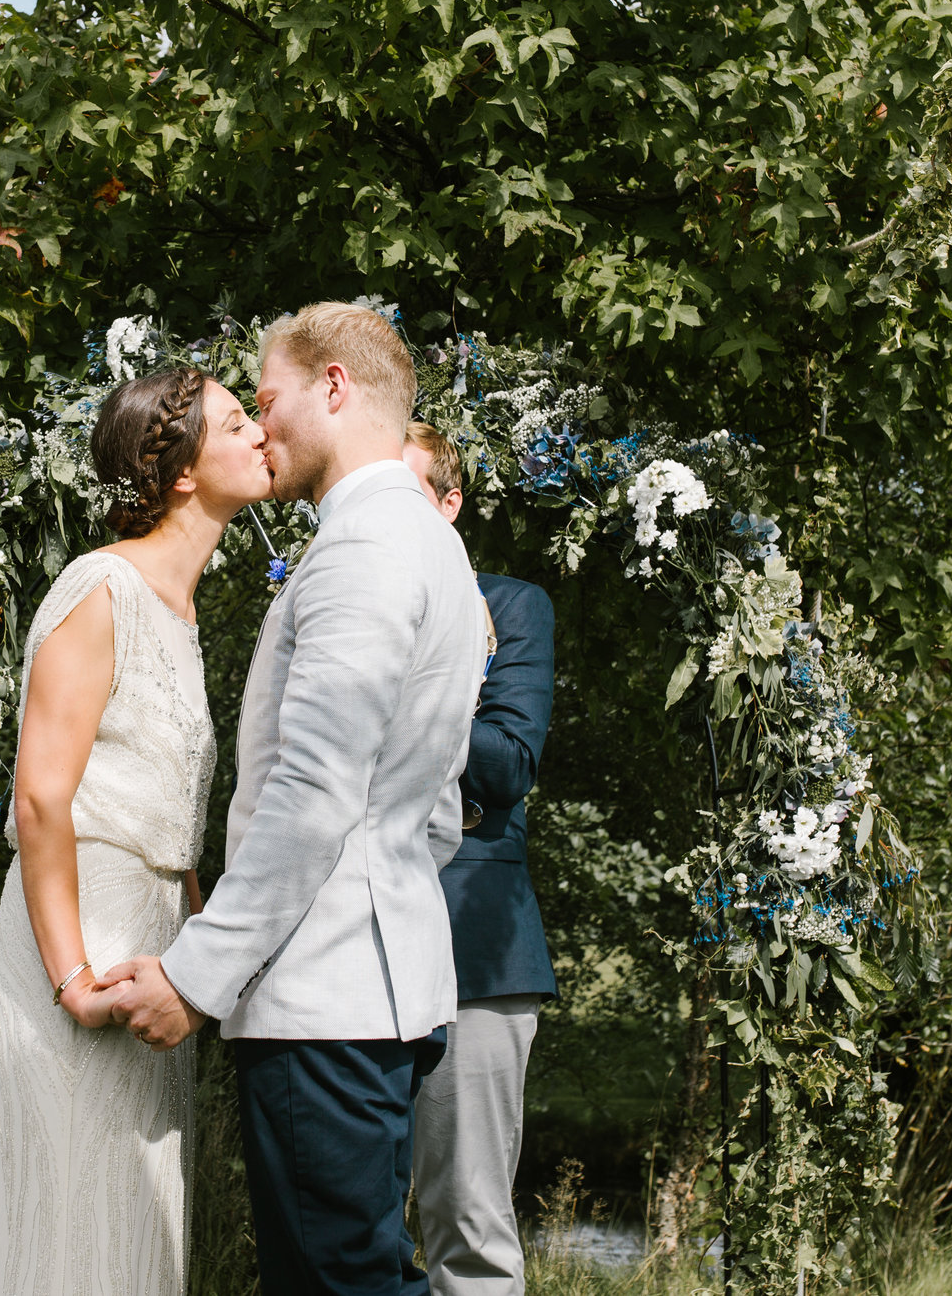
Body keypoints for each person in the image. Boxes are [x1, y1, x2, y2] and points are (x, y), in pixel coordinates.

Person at [110, 302, 488, 1296]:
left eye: (268, 399)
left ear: (334, 386)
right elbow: (436, 805)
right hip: (385, 981)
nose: (261, 426)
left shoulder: (363, 549)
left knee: (338, 1284)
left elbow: (313, 792)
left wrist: (197, 975)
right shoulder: (428, 542)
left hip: (324, 997)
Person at [0, 364, 274, 1296]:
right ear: (184, 471)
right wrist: (73, 977)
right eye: (237, 421)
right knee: (60, 1219)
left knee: (130, 1225)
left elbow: (172, 813)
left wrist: (208, 956)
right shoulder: (100, 587)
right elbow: (40, 798)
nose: (259, 433)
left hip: (159, 946)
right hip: (78, 942)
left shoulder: (185, 610)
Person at [401, 422, 558, 1296]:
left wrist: (400, 687)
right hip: (352, 945)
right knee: (364, 1223)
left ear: (451, 502)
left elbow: (508, 762)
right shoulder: (337, 598)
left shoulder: (513, 603)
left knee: (468, 1219)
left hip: (476, 950)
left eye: (408, 491)